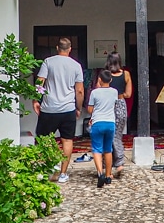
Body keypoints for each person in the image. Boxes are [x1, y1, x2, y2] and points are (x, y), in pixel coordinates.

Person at [34, 38, 85, 183]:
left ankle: (47, 168)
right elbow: (80, 90)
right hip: (68, 108)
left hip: (49, 108)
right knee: (67, 140)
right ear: (70, 49)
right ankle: (63, 173)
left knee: (43, 139)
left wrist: (36, 99)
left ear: (57, 48)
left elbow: (40, 81)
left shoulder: (48, 62)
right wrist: (78, 107)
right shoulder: (76, 65)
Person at [95, 52, 133, 178]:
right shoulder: (126, 74)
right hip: (120, 105)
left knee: (106, 136)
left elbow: (97, 90)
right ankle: (119, 162)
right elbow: (128, 94)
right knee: (117, 135)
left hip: (106, 106)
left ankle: (107, 165)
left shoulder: (104, 75)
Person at [86, 70, 119, 188]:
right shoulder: (114, 92)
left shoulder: (94, 93)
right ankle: (108, 175)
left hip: (97, 123)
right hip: (110, 123)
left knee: (96, 149)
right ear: (110, 80)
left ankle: (100, 173)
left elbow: (90, 110)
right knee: (108, 149)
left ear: (99, 79)